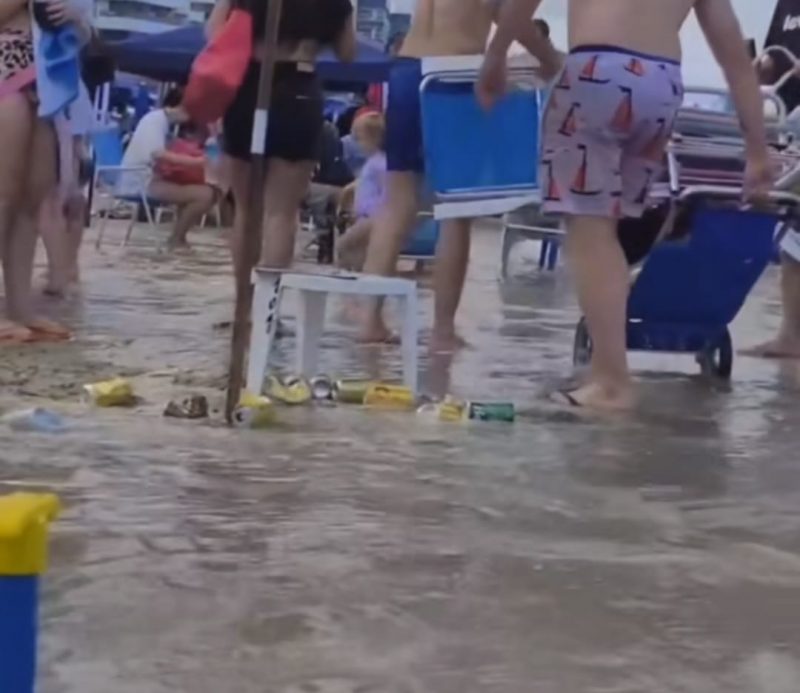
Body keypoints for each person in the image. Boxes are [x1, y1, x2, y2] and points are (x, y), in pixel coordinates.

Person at [477, 0, 773, 410]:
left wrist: (496, 56)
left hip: (598, 73)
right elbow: (735, 58)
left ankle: (612, 381)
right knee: (608, 232)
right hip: (662, 83)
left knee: (588, 229)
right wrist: (757, 149)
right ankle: (606, 368)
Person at [358, 0, 558, 351]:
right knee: (457, 210)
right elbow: (511, 17)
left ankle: (370, 319)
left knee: (396, 204)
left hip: (406, 68)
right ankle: (442, 331)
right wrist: (551, 59)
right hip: (452, 72)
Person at [207, 0, 356, 284]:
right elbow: (347, 53)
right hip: (298, 87)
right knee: (282, 212)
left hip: (249, 85)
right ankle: (268, 311)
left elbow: (215, 33)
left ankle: (245, 305)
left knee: (246, 210)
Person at [0, 0, 92, 343]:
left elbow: (80, 37)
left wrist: (75, 20)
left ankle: (20, 306)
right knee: (4, 196)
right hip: (6, 65)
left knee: (32, 197)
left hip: (45, 78)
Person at [118, 89, 217, 250]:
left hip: (144, 178)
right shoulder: (155, 121)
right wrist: (197, 162)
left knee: (197, 192)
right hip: (141, 182)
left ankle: (178, 238)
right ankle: (176, 239)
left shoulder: (159, 121)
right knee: (205, 195)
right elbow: (159, 155)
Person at [337, 111, 387, 270]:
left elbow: (387, 188)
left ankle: (348, 277)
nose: (357, 145)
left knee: (343, 245)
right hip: (364, 216)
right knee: (359, 250)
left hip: (372, 217)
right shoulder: (373, 162)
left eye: (359, 139)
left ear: (373, 139)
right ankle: (357, 275)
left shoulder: (379, 163)